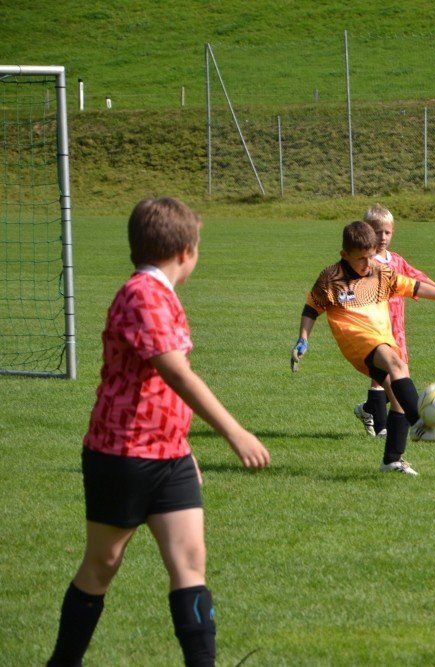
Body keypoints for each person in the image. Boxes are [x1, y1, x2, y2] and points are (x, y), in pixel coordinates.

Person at [47, 197, 271, 667]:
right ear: (186, 251)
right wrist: (235, 432)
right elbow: (175, 373)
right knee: (102, 565)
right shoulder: (142, 295)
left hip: (170, 456)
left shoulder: (162, 294)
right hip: (122, 454)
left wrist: (183, 449)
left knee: (189, 564)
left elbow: (162, 390)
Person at [290, 220, 435, 476]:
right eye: (361, 259)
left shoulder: (380, 272)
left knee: (396, 392)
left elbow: (413, 286)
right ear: (344, 254)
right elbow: (312, 307)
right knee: (396, 364)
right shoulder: (331, 278)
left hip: (382, 337)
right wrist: (303, 339)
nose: (367, 263)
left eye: (370, 256)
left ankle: (392, 460)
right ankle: (420, 423)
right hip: (356, 340)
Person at [354, 204, 435, 443]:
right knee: (381, 377)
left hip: (398, 330)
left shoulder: (396, 260)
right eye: (377, 232)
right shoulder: (363, 263)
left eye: (387, 232)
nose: (382, 237)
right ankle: (382, 427)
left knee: (399, 377)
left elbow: (417, 278)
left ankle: (368, 409)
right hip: (376, 329)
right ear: (366, 232)